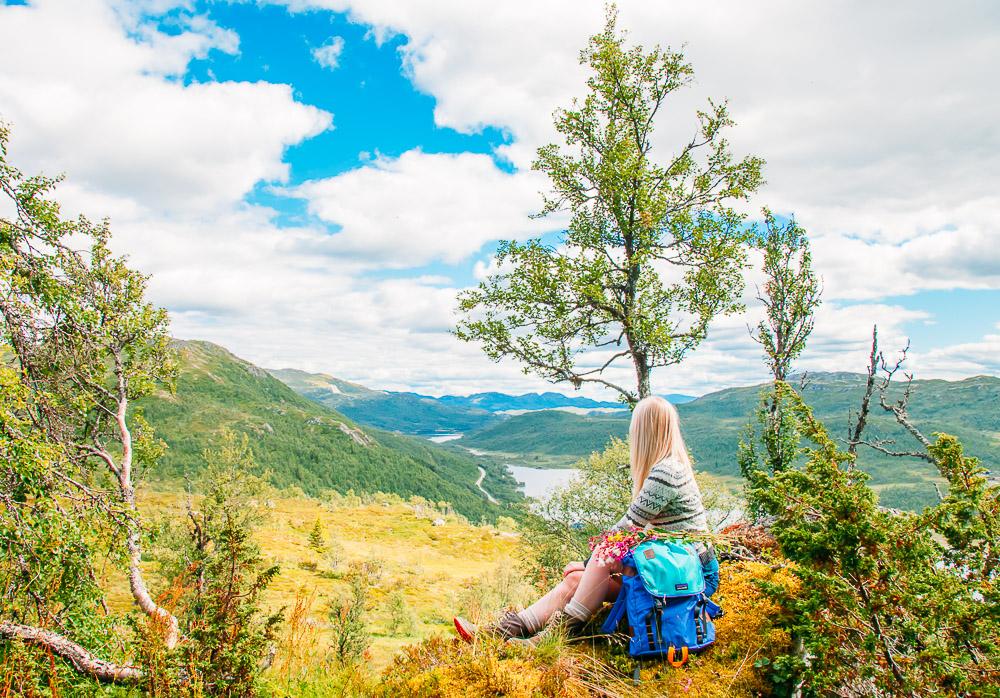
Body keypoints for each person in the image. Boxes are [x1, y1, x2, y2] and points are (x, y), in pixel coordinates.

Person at [453, 395, 719, 645]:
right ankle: (502, 632)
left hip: (690, 576)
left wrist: (587, 562)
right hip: (668, 568)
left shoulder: (666, 472)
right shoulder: (668, 466)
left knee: (601, 557)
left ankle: (551, 638)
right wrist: (588, 566)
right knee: (574, 580)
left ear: (644, 432)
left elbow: (625, 530)